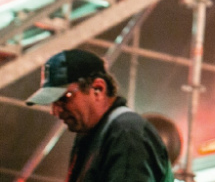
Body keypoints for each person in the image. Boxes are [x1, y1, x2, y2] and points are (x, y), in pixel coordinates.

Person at [26, 49, 174, 182]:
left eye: (64, 98)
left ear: (98, 89)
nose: (55, 111)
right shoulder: (94, 136)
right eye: (52, 103)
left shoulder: (127, 133)